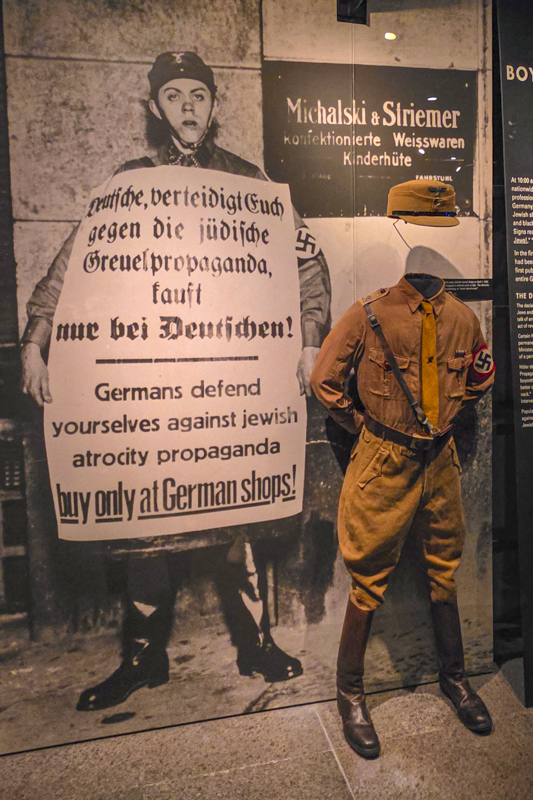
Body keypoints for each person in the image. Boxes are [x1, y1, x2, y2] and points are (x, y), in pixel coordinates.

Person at [21, 52, 331, 710]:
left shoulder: (249, 186)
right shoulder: (130, 184)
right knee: (148, 523)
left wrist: (308, 344)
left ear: (213, 105)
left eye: (198, 94)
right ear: (157, 108)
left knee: (237, 522)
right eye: (173, 95)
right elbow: (69, 267)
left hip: (228, 391)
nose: (187, 105)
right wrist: (35, 343)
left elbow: (307, 265)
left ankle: (256, 643)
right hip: (156, 392)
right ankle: (142, 657)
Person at [311, 180, 495, 758]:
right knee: (369, 575)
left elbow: (479, 379)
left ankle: (455, 678)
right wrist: (364, 430)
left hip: (438, 459)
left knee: (445, 565)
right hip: (384, 458)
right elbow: (323, 381)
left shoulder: (463, 319)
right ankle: (350, 693)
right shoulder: (369, 315)